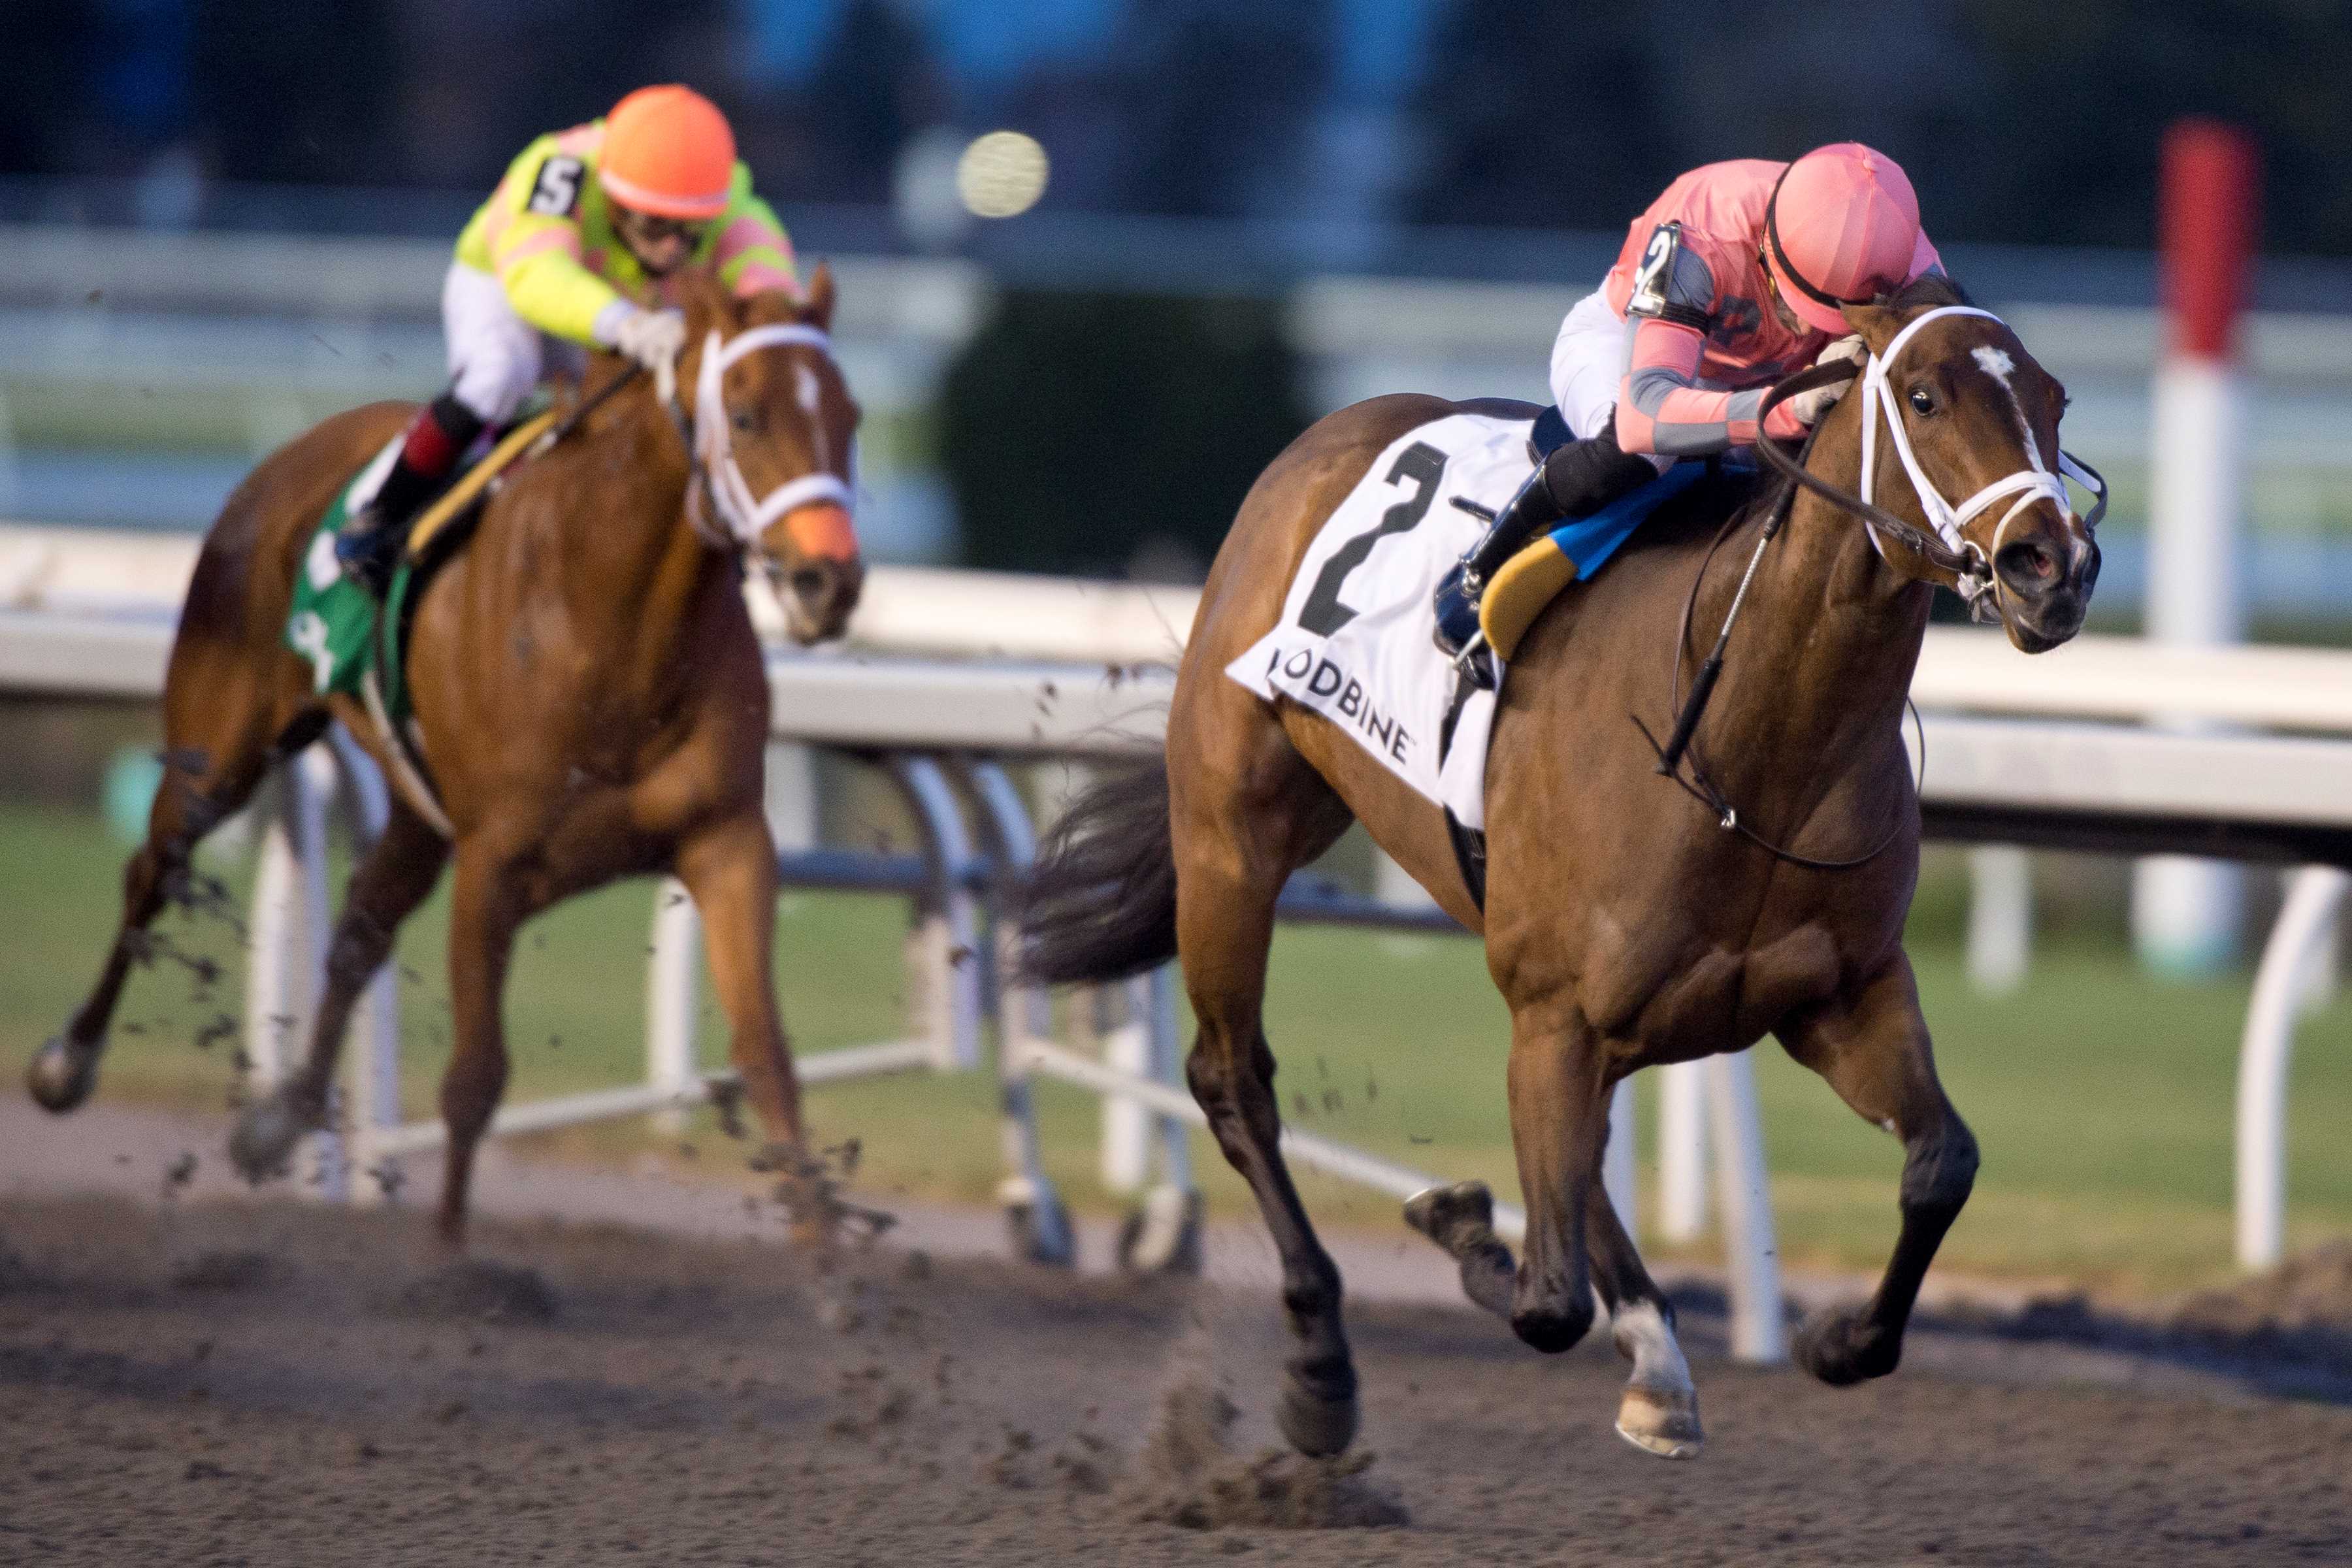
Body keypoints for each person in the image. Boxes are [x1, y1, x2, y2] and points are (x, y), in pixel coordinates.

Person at [1432, 142, 1943, 681]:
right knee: (1649, 454)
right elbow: (1643, 415)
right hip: (1634, 352)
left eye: (1831, 318)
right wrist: (1785, 411)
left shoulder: (1905, 258)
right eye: (1802, 304)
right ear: (1767, 250)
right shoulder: (1701, 229)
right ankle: (1480, 569)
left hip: (1762, 378)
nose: (1810, 327)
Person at [336, 84, 802, 589]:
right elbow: (537, 276)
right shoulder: (561, 169)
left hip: (618, 310)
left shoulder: (727, 194)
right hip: (506, 286)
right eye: (657, 224)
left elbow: (767, 278)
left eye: (692, 230)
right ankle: (381, 514)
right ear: (616, 200)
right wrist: (626, 325)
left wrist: (778, 324)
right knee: (501, 373)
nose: (673, 246)